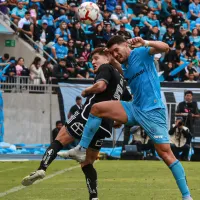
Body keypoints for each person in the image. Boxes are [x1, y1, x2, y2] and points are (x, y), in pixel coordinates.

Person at [64, 35, 193, 200]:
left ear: (126, 45)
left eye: (116, 50)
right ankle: (82, 149)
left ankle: (186, 196)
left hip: (153, 112)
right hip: (134, 108)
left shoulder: (141, 52)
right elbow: (117, 65)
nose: (115, 54)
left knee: (165, 154)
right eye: (112, 52)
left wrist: (145, 42)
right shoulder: (124, 66)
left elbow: (165, 47)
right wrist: (106, 55)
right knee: (96, 109)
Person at [21, 47, 131, 200]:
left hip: (88, 116)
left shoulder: (106, 68)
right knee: (87, 163)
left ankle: (41, 168)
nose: (92, 62)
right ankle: (94, 197)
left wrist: (86, 91)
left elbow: (101, 86)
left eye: (95, 58)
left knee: (59, 141)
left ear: (106, 57)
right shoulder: (121, 81)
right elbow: (127, 100)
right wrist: (118, 119)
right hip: (105, 125)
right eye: (91, 60)